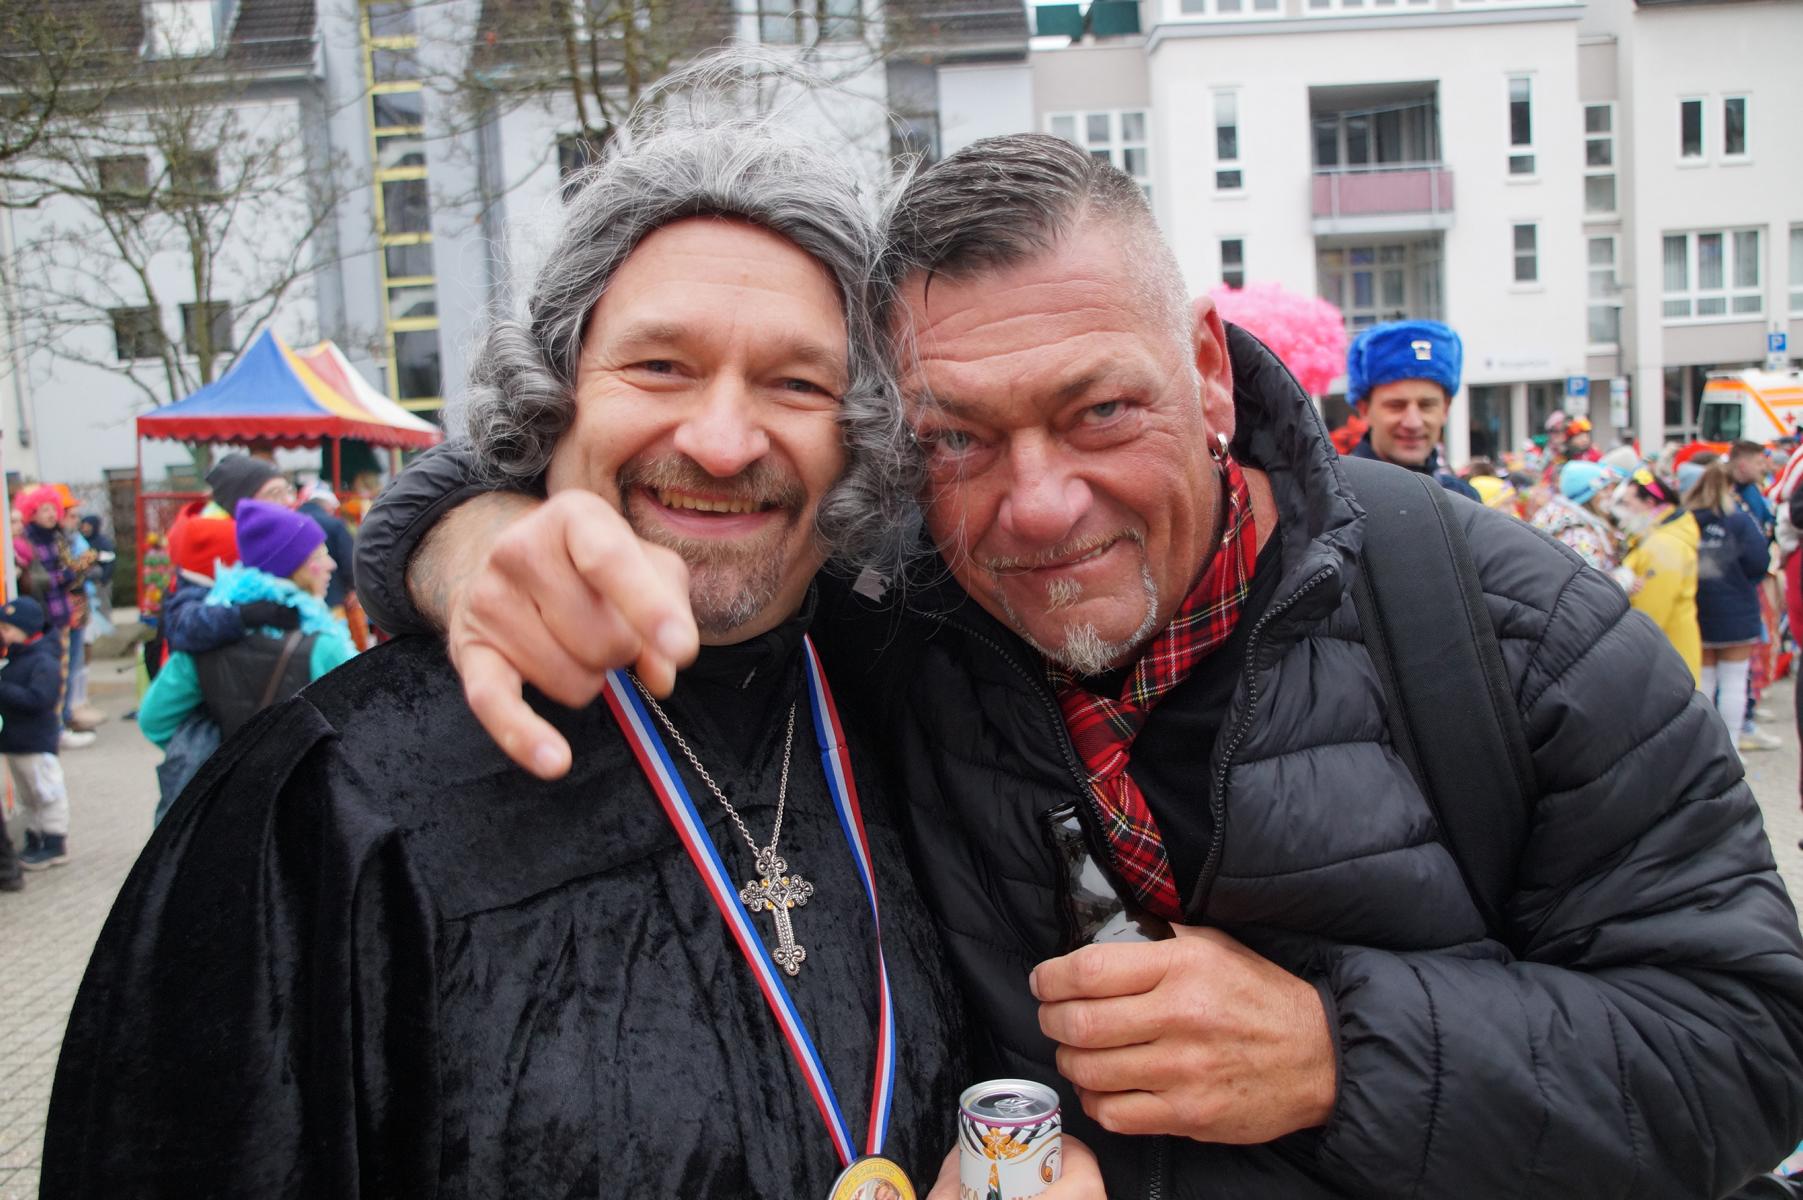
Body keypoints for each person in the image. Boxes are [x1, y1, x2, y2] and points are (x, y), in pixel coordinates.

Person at [355, 133, 1803, 1197]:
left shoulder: (1502, 627)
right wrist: (475, 545)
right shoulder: (900, 616)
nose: (1037, 505)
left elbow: (1753, 1046)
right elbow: (652, 490)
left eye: (1100, 410)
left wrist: (1337, 1053)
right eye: (958, 439)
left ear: (1207, 371)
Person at [42, 117, 1105, 1200]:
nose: (722, 442)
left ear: (864, 434)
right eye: (659, 366)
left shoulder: (927, 701)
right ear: (551, 395)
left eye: (798, 383)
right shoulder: (334, 797)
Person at [138, 500, 358, 821]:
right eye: (319, 555)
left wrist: (217, 749)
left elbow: (153, 719)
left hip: (228, 808)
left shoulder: (206, 640)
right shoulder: (324, 644)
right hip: (306, 806)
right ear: (293, 567)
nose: (332, 565)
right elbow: (360, 730)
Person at [1684, 461, 1774, 753]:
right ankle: (1731, 747)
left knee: (1704, 680)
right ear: (1731, 487)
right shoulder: (1739, 521)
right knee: (1734, 680)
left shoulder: (1686, 520)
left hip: (1697, 607)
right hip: (1736, 607)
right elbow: (1759, 561)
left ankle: (1705, 749)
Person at [1343, 319, 1482, 501]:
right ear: (1364, 409)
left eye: (1426, 405)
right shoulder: (1337, 498)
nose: (1413, 423)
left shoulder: (1464, 498)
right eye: (1396, 405)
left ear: (1445, 409)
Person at [14, 485, 96, 749]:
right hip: (46, 616)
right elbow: (45, 579)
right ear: (31, 512)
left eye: (53, 508)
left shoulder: (56, 537)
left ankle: (61, 722)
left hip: (63, 613)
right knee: (53, 674)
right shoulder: (30, 541)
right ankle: (55, 727)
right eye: (44, 509)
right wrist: (71, 572)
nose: (50, 514)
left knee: (65, 670)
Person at [0, 596, 74, 869]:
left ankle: (54, 841)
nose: (3, 634)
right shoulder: (16, 658)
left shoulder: (43, 661)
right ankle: (34, 837)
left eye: (7, 628)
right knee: (28, 796)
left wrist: (3, 688)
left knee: (46, 792)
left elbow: (39, 700)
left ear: (26, 629)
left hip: (35, 740)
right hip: (15, 741)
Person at [1611, 465, 1702, 683]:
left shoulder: (1663, 546)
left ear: (1649, 503)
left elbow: (1651, 614)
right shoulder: (1654, 536)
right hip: (1666, 657)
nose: (1621, 511)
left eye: (1627, 503)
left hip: (1665, 663)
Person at [1529, 460, 1620, 572]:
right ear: (1587, 496)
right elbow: (1590, 579)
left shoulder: (1582, 522)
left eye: (1611, 488)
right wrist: (1623, 578)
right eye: (1604, 489)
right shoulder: (1577, 535)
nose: (1611, 494)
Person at [296, 480, 356, 615]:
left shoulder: (291, 521)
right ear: (328, 506)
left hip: (300, 599)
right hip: (333, 598)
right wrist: (353, 588)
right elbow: (348, 559)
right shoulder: (336, 524)